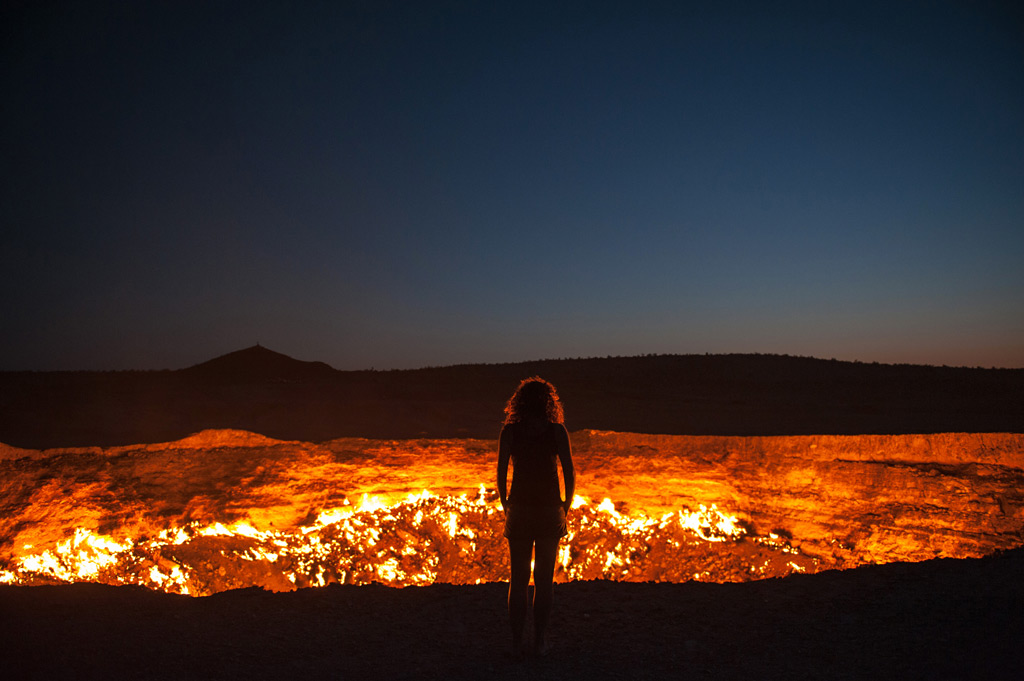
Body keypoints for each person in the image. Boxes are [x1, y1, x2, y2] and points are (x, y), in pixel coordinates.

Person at [496, 376, 575, 659]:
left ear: (519, 403)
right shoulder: (557, 431)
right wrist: (565, 505)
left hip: (519, 508)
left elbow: (500, 474)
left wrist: (507, 504)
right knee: (544, 579)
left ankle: (517, 643)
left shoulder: (510, 432)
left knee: (518, 580)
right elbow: (568, 471)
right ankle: (540, 641)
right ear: (548, 403)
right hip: (548, 509)